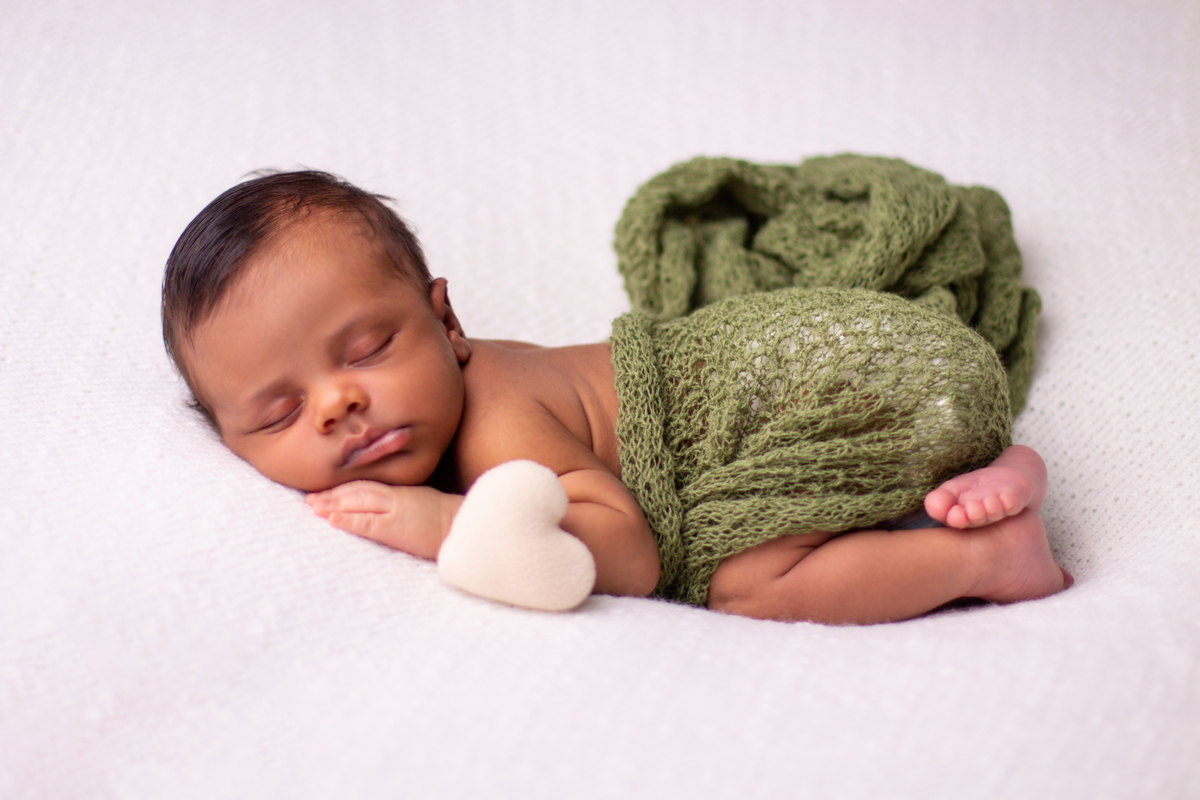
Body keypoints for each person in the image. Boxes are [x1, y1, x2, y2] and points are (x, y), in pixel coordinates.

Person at [162, 170, 1071, 625]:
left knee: (741, 582)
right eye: (279, 415)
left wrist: (441, 524)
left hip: (853, 378)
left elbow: (630, 554)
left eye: (367, 349)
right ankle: (976, 467)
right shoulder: (444, 405)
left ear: (447, 322)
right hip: (887, 371)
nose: (334, 406)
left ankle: (988, 558)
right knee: (777, 508)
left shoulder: (494, 414)